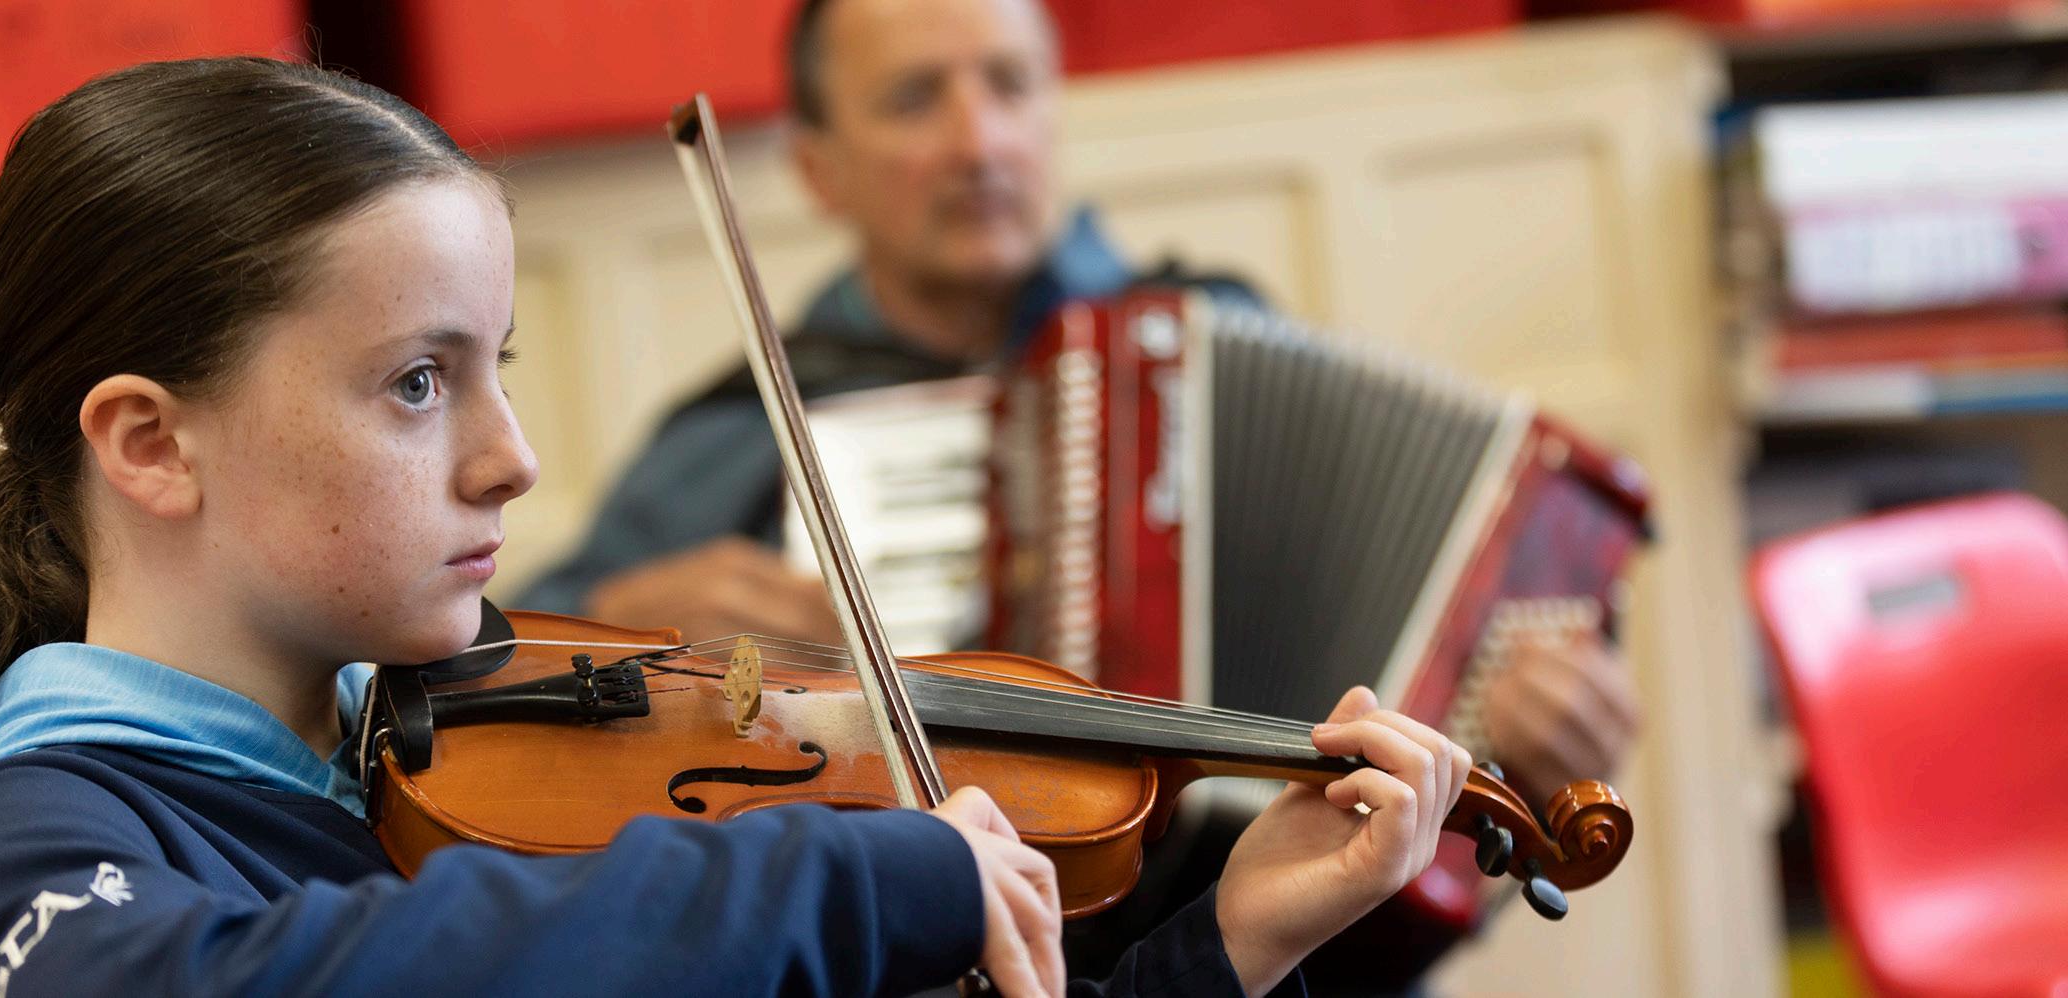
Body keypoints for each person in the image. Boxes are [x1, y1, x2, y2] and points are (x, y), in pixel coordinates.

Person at [0, 57, 1476, 998]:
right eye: (417, 382)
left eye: (496, 369)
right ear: (151, 443)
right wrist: (838, 874)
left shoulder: (464, 742)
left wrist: (1227, 945)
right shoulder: (30, 848)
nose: (513, 459)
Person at [514, 0, 1637, 987]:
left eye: (1009, 85)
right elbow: (507, 673)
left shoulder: (1212, 326)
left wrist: (1518, 722)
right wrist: (640, 630)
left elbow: (1408, 634)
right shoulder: (750, 425)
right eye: (914, 99)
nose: (979, 140)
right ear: (818, 168)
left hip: (1293, 957)